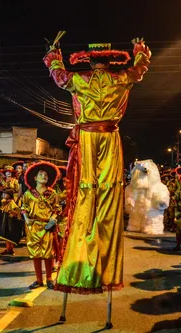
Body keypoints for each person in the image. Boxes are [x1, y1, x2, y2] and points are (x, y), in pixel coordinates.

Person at [44, 34, 151, 295]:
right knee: (108, 194)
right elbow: (139, 70)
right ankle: (105, 266)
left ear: (90, 62)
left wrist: (54, 56)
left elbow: (59, 77)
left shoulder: (80, 79)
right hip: (110, 139)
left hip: (88, 138)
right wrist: (139, 51)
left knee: (84, 193)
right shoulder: (122, 78)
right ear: (110, 60)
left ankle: (79, 260)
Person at [22, 162, 61, 290]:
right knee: (36, 254)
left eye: (45, 175)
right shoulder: (28, 194)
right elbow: (24, 208)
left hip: (47, 227)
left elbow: (56, 209)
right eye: (41, 174)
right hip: (33, 226)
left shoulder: (53, 193)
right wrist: (26, 219)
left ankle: (49, 278)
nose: (43, 176)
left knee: (48, 253)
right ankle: (39, 279)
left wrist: (53, 220)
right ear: (35, 178)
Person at [0, 166, 20, 255]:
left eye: (10, 172)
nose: (8, 173)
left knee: (10, 232)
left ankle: (10, 249)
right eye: (7, 172)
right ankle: (8, 248)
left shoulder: (15, 181)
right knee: (5, 233)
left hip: (13, 198)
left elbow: (17, 190)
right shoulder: (3, 181)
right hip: (5, 215)